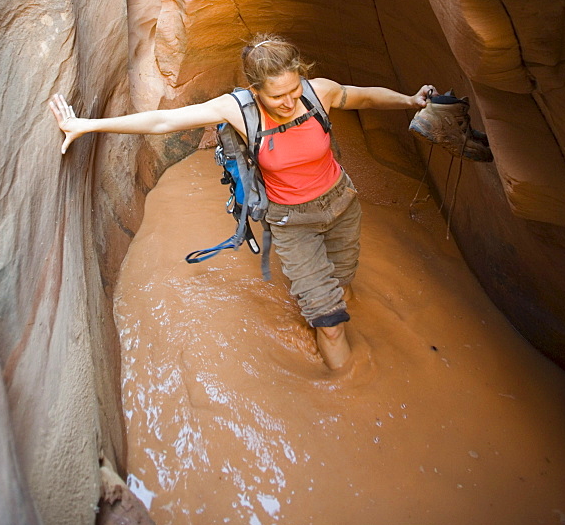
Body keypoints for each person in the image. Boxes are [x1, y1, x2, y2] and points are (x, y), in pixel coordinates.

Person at [49, 35, 435, 371]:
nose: (288, 102)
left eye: (294, 90)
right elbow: (164, 121)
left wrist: (411, 100)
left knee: (344, 285)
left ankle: (338, 302)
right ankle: (351, 393)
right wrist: (88, 125)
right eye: (276, 95)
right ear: (255, 90)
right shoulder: (238, 110)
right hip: (292, 222)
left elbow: (364, 97)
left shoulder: (319, 91)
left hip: (342, 205)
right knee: (330, 323)